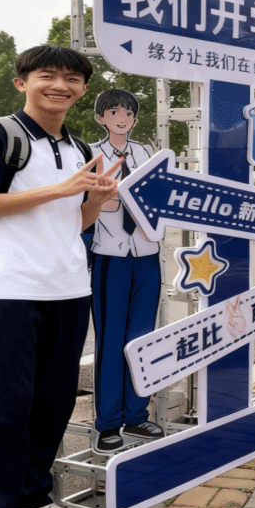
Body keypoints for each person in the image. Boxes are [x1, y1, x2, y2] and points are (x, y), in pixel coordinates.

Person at [0, 45, 123, 508]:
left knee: (53, 404)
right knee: (1, 405)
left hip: (67, 288)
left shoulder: (81, 150)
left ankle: (32, 500)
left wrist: (96, 200)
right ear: (22, 82)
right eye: (47, 75)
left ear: (83, 89)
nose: (59, 86)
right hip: (3, 288)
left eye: (72, 79)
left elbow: (75, 223)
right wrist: (61, 189)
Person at [88, 89, 164, 454]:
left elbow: (157, 196)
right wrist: (114, 197)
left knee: (142, 337)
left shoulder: (146, 153)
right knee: (110, 339)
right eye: (114, 111)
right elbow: (89, 202)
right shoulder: (89, 154)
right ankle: (107, 424)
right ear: (101, 117)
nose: (122, 118)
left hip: (147, 252)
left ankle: (136, 414)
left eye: (128, 113)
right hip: (110, 254)